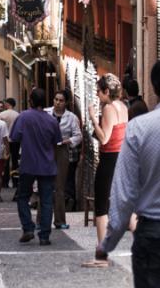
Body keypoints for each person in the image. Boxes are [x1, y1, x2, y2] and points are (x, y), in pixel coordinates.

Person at [95, 60, 160, 285]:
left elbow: (125, 195)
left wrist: (107, 245)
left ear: (153, 87)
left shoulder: (141, 128)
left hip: (153, 234)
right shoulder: (128, 116)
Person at [82, 73, 128, 269]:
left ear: (107, 92)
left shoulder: (109, 108)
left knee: (101, 207)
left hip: (109, 159)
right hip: (121, 157)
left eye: (99, 92)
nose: (98, 96)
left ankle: (101, 255)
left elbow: (104, 138)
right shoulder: (123, 107)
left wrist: (93, 118)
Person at [10, 88, 61, 246]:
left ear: (30, 101)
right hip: (47, 165)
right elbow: (57, 141)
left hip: (28, 164)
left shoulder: (24, 116)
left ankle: (28, 228)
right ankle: (44, 236)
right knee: (46, 201)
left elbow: (14, 137)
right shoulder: (52, 120)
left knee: (23, 197)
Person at [44, 89, 82, 229]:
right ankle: (40, 221)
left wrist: (68, 140)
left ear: (66, 102)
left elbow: (78, 136)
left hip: (61, 151)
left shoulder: (71, 117)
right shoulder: (45, 113)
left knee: (59, 187)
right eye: (56, 99)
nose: (57, 103)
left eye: (61, 100)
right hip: (46, 150)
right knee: (45, 185)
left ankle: (60, 221)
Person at [0, 97, 19, 189]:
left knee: (5, 161)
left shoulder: (2, 114)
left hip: (5, 140)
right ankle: (15, 181)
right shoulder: (17, 115)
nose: (5, 105)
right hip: (15, 140)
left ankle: (5, 181)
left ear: (8, 104)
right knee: (15, 161)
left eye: (6, 103)